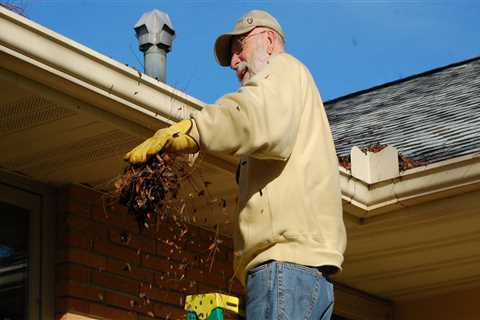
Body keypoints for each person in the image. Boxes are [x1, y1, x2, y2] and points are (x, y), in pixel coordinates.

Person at [125, 9, 346, 320]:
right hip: (308, 277)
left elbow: (251, 114)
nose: (233, 62)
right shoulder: (297, 95)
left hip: (283, 269)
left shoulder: (282, 69)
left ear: (269, 41)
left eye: (240, 47)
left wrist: (194, 130)